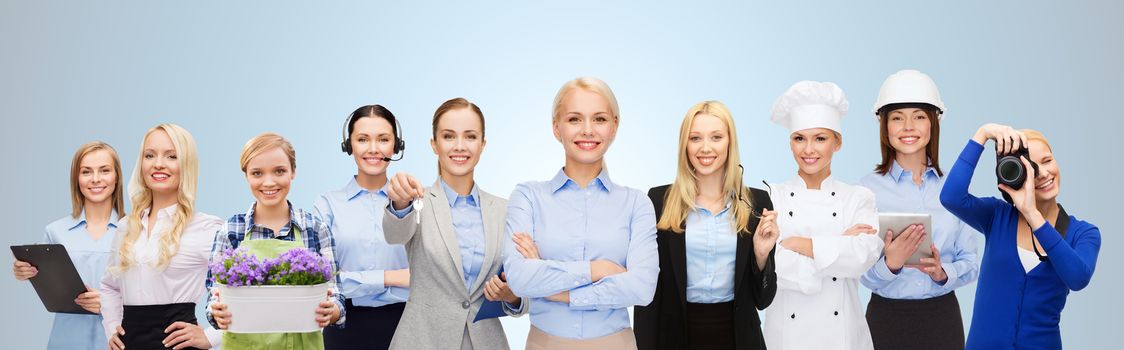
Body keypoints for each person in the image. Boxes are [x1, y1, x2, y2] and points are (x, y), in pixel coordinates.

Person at [504, 77, 658, 350]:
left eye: (599, 119)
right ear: (556, 128)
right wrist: (599, 269)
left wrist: (559, 292)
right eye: (575, 119)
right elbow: (519, 278)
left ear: (614, 126)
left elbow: (642, 288)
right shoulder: (528, 197)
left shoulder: (637, 203)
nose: (588, 130)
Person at [382, 98, 528, 350]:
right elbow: (394, 234)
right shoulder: (416, 201)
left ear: (482, 145)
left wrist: (512, 296)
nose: (460, 146)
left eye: (470, 136)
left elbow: (527, 287)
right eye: (449, 136)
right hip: (422, 340)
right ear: (434, 145)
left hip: (485, 342)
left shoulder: (506, 211)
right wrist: (399, 202)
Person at [940, 124, 1100, 349]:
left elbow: (1077, 278)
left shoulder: (1083, 233)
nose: (1043, 173)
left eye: (1047, 161)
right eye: (1031, 169)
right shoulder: (997, 216)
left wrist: (1032, 214)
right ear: (1016, 176)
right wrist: (983, 134)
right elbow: (951, 197)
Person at [634, 100, 779, 350]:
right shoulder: (659, 201)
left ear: (730, 143)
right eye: (695, 138)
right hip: (674, 337)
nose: (705, 148)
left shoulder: (757, 203)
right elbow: (648, 294)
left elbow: (763, 299)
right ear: (685, 145)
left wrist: (762, 255)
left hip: (739, 338)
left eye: (716, 137)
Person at [859, 70, 980, 350]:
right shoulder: (865, 191)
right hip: (884, 320)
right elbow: (860, 271)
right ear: (885, 125)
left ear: (933, 124)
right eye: (898, 117)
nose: (908, 127)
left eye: (919, 116)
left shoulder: (954, 188)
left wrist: (941, 272)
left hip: (942, 320)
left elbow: (972, 262)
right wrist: (890, 264)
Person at [762, 81, 883, 350]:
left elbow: (863, 257)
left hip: (844, 338)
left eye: (820, 138)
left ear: (837, 143)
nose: (809, 150)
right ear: (790, 142)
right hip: (785, 339)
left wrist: (795, 243)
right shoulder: (771, 196)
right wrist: (838, 244)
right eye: (799, 139)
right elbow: (771, 266)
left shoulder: (858, 197)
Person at [206, 133, 345, 349]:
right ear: (246, 176)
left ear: (293, 172)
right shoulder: (231, 230)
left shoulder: (315, 229)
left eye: (279, 171)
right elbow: (214, 294)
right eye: (257, 173)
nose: (268, 182)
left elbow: (336, 295)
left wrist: (332, 311)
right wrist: (216, 312)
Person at [100, 124, 224, 350]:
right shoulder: (126, 227)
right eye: (150, 155)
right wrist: (111, 327)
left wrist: (212, 336)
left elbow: (245, 292)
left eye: (171, 156)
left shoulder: (207, 228)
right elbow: (109, 287)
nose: (158, 163)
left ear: (186, 164)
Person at [12, 141, 125, 350]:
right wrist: (24, 271)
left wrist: (111, 304)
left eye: (105, 170)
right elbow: (46, 282)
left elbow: (151, 294)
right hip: (66, 340)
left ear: (116, 176)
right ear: (76, 178)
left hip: (119, 341)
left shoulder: (135, 231)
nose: (96, 179)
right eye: (86, 172)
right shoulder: (55, 231)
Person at [315, 104, 410, 350]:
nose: (373, 149)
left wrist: (354, 281)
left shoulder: (414, 203)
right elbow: (324, 281)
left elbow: (425, 279)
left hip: (408, 327)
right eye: (363, 139)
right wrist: (394, 277)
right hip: (343, 329)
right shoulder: (327, 205)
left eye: (383, 139)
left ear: (396, 145)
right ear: (349, 146)